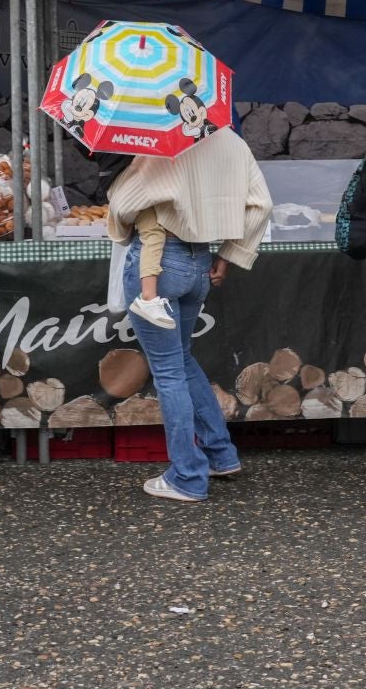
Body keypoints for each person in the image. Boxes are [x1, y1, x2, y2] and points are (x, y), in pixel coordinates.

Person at [106, 125, 270, 502]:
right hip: (200, 261)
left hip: (160, 263)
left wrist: (120, 188)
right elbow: (262, 204)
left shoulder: (163, 135)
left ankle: (187, 476)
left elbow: (125, 201)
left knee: (167, 371)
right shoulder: (231, 139)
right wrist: (230, 254)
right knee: (180, 359)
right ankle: (221, 455)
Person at [125, 209, 173, 327]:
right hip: (198, 250)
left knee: (153, 233)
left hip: (155, 242)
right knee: (183, 344)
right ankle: (148, 297)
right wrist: (225, 254)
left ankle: (148, 296)